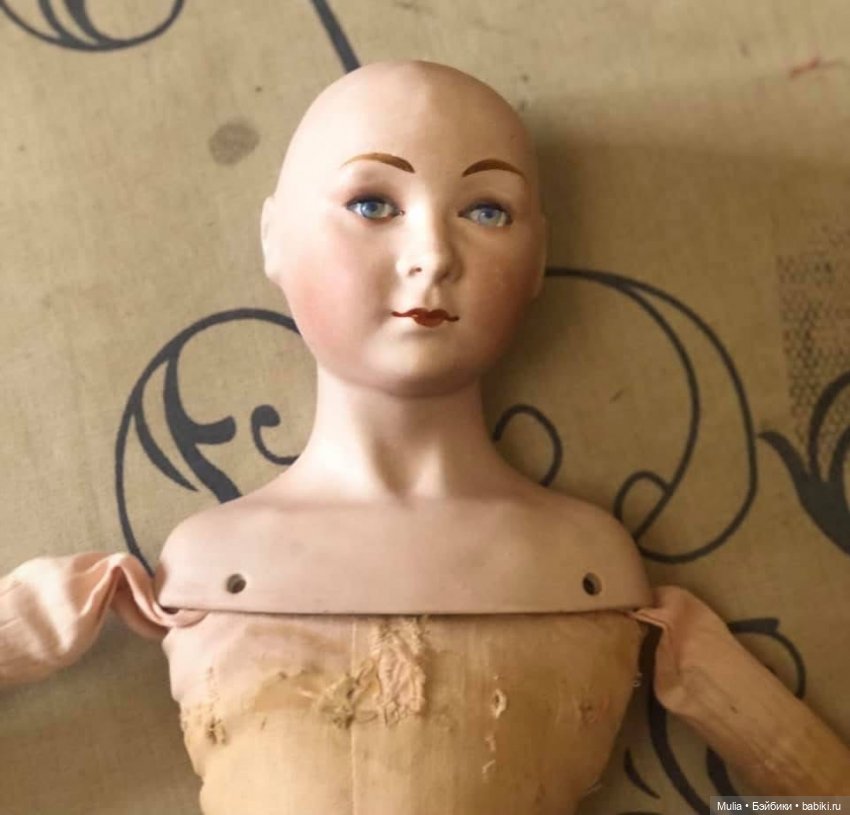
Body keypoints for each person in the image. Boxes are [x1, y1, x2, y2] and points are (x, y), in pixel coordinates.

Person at [2, 61, 849, 814]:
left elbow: (818, 792)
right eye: (372, 203)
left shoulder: (591, 564)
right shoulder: (203, 562)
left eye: (486, 209)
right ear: (274, 237)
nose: (434, 254)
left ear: (539, 256)